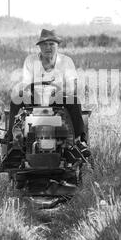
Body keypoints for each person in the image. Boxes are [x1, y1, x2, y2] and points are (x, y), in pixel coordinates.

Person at [7, 28, 90, 158]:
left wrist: (61, 93)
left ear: (57, 46)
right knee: (16, 99)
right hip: (36, 97)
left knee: (73, 100)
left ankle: (79, 141)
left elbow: (71, 86)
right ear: (39, 46)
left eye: (51, 44)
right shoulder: (30, 60)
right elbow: (26, 83)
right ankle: (11, 139)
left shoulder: (66, 61)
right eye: (44, 44)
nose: (48, 47)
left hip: (58, 97)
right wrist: (27, 92)